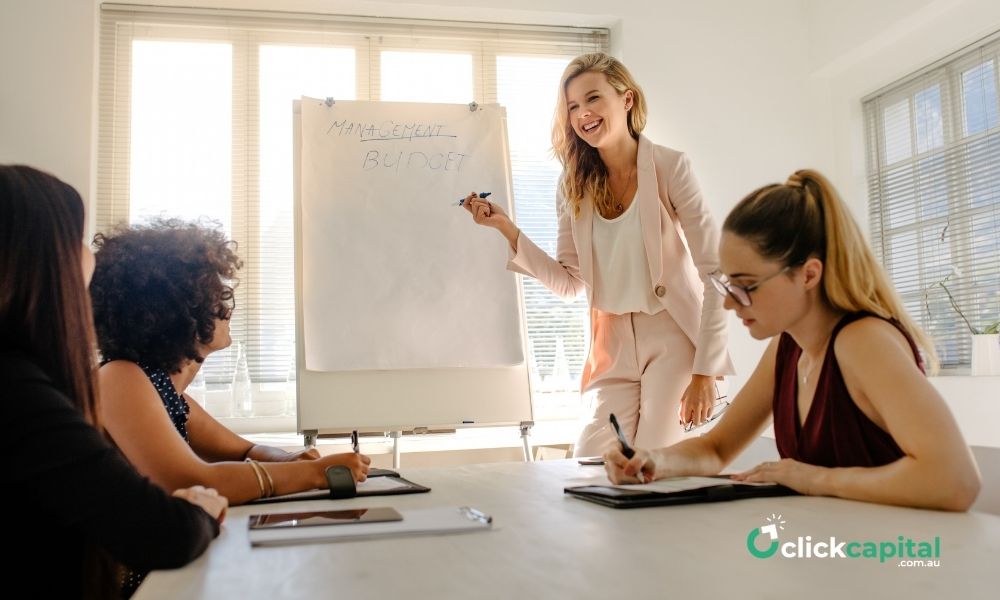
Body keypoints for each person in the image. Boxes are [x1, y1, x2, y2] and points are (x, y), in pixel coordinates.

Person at [604, 169, 982, 511]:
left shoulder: (865, 342)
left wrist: (811, 478)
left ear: (808, 274)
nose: (730, 303)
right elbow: (716, 448)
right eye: (727, 284)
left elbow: (955, 480)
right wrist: (651, 460)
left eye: (746, 286)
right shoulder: (788, 346)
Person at [463, 52, 733, 455]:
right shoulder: (573, 185)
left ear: (627, 100)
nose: (582, 113)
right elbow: (570, 283)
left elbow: (716, 274)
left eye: (592, 99)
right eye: (572, 106)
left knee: (652, 467)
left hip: (672, 337)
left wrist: (705, 372)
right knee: (588, 462)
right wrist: (507, 228)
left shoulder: (669, 167)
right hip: (613, 344)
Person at [0, 165, 227, 598]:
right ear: (44, 259)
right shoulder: (19, 390)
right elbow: (162, 531)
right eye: (78, 239)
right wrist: (198, 506)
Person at [89, 220, 371, 507]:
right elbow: (190, 481)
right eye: (216, 297)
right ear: (173, 311)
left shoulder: (167, 394)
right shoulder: (119, 378)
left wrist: (290, 459)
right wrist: (315, 472)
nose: (228, 309)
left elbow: (246, 451)